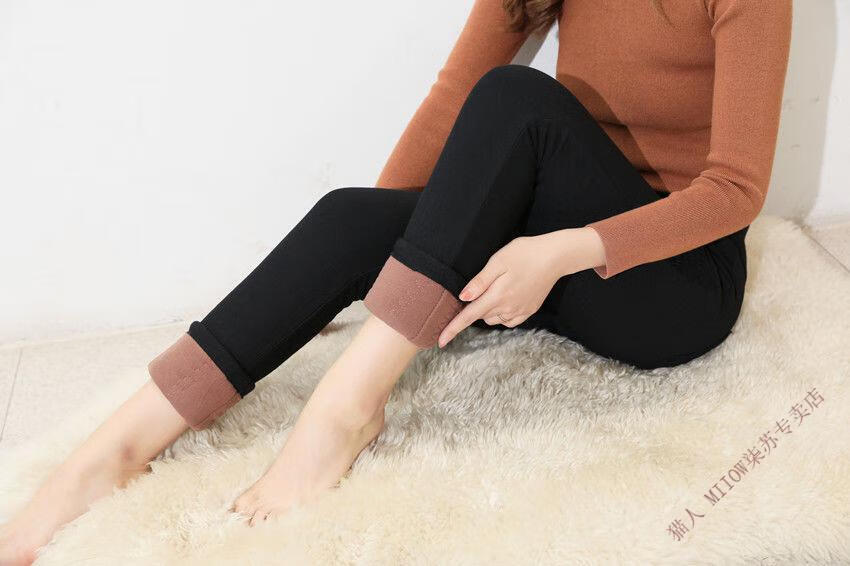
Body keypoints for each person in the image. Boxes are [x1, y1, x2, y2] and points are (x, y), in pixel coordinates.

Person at [0, 0, 792, 562]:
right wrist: (373, 258)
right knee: (352, 213)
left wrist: (565, 251)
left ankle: (345, 412)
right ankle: (110, 453)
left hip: (673, 287)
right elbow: (451, 99)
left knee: (517, 98)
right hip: (552, 251)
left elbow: (735, 191)